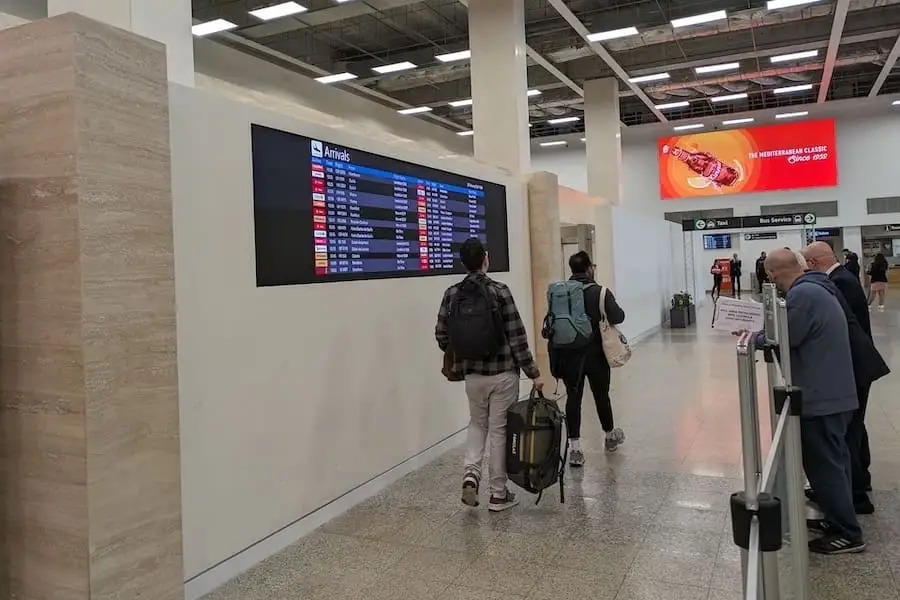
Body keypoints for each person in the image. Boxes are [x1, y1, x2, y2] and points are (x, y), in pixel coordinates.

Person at [755, 249, 864, 554]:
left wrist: (755, 338)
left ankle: (848, 533)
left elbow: (785, 336)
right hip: (834, 393)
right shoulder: (817, 289)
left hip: (822, 397)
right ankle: (836, 517)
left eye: (770, 275)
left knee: (824, 467)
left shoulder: (802, 296)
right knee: (834, 463)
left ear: (774, 273)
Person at [435, 238, 543, 512]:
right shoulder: (499, 291)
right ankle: (498, 493)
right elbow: (517, 336)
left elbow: (441, 334)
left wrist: (462, 352)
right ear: (485, 258)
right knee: (499, 430)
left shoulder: (451, 294)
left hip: (472, 375)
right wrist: (534, 373)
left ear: (462, 262)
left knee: (476, 424)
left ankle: (471, 473)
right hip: (503, 374)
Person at [804, 242, 889, 514]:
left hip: (853, 365)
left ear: (814, 262)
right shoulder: (844, 279)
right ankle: (859, 482)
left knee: (848, 430)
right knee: (855, 426)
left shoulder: (839, 283)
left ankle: (853, 496)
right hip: (857, 364)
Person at [552, 251, 626, 467]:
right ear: (589, 268)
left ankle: (575, 449)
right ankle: (610, 435)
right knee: (601, 394)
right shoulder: (600, 292)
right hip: (596, 355)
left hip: (568, 355)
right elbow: (618, 316)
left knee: (573, 398)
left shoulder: (561, 293)